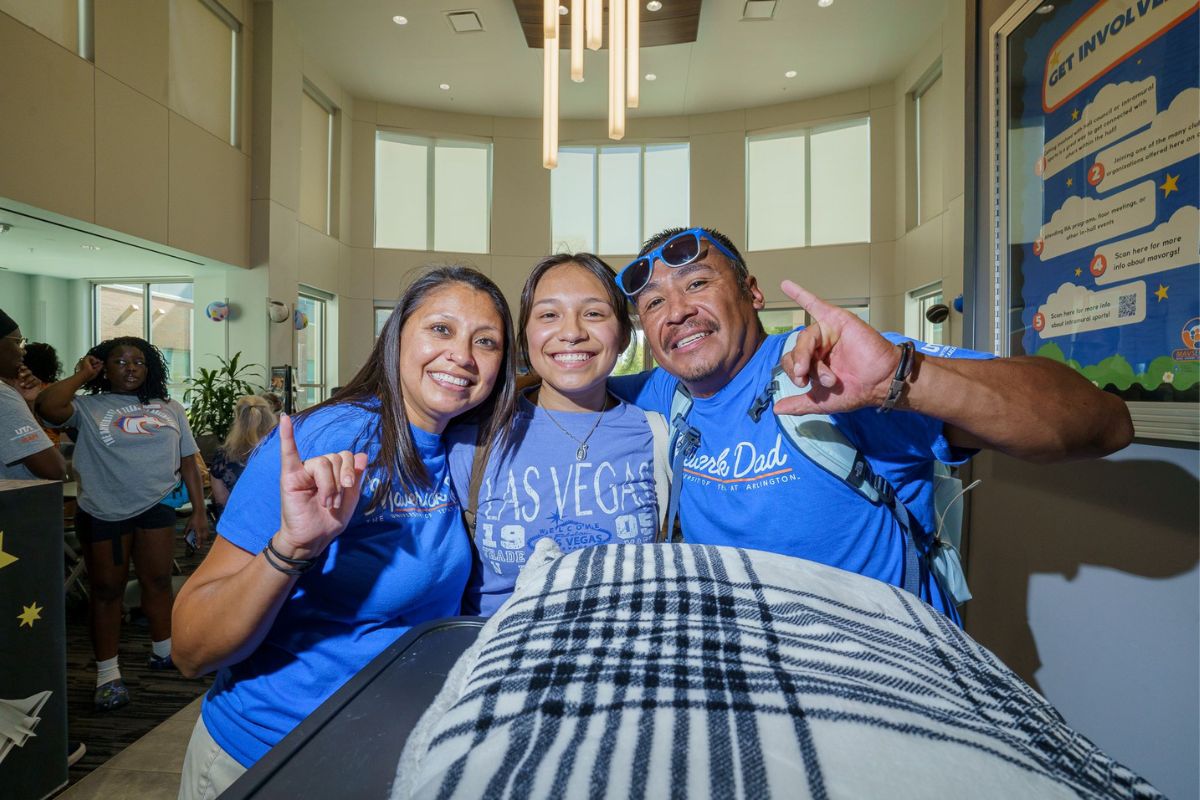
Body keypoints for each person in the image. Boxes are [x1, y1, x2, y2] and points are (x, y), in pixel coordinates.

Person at [610, 226, 1133, 622]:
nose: (675, 311)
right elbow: (564, 390)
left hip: (892, 668)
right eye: (653, 302)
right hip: (757, 681)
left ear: (752, 292)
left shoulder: (834, 367)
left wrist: (901, 382)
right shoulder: (663, 392)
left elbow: (1104, 423)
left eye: (697, 282)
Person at [171, 266, 517, 798]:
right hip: (273, 756)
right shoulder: (333, 436)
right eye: (441, 329)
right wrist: (292, 548)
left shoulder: (459, 447)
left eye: (486, 341)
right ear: (396, 335)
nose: (463, 355)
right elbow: (191, 648)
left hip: (387, 754)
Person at [447, 253, 669, 616]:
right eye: (549, 315)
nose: (571, 333)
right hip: (499, 656)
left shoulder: (655, 432)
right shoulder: (474, 436)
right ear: (526, 336)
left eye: (594, 313)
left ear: (626, 335)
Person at [35, 336, 209, 710]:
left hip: (156, 505)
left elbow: (190, 461)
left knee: (158, 581)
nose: (130, 368)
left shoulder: (170, 408)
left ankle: (164, 651)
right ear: (103, 366)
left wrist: (198, 511)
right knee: (107, 590)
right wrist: (82, 373)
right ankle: (107, 674)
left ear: (150, 369)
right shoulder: (85, 407)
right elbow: (47, 405)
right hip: (103, 509)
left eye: (138, 362)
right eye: (119, 361)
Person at [0, 310, 66, 481]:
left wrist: (27, 404)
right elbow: (54, 470)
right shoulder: (3, 398)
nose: (23, 351)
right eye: (18, 342)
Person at [208, 395, 277, 518]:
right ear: (270, 416)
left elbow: (222, 501)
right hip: (278, 525)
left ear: (237, 419)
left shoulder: (223, 456)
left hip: (237, 526)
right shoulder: (282, 451)